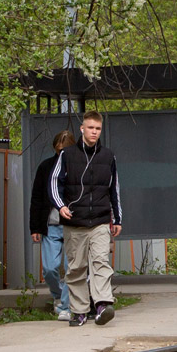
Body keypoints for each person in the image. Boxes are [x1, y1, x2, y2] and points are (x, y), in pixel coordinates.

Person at [51, 111, 122, 326]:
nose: (94, 132)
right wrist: (61, 205)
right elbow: (54, 183)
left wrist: (117, 218)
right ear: (82, 129)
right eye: (90, 128)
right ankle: (79, 311)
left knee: (101, 262)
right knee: (77, 268)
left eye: (98, 129)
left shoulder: (108, 156)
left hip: (100, 220)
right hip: (75, 221)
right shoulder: (67, 155)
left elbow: (114, 189)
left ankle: (102, 304)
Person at [29, 130, 75, 321]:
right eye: (58, 150)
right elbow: (37, 198)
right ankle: (58, 295)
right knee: (49, 268)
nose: (61, 153)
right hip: (51, 224)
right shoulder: (45, 167)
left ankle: (65, 306)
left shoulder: (78, 166)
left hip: (73, 225)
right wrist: (35, 228)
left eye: (65, 150)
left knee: (71, 267)